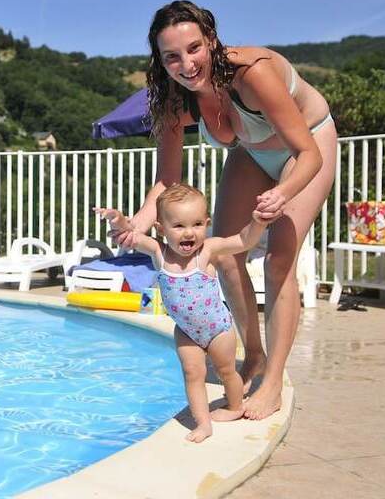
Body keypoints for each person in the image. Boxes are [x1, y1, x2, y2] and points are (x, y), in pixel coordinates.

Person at [112, 0, 337, 420]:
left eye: (194, 48)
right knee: (228, 256)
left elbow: (307, 153)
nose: (186, 64)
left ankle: (272, 384)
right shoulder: (174, 100)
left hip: (307, 148)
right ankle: (253, 356)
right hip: (253, 153)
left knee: (278, 260)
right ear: (160, 62)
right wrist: (139, 221)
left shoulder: (252, 74)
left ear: (211, 40)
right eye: (172, 57)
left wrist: (284, 192)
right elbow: (168, 180)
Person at [96, 183, 269, 442]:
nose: (189, 233)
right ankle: (203, 423)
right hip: (187, 331)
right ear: (161, 229)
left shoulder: (207, 250)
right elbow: (131, 234)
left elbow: (244, 240)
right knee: (192, 374)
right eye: (178, 226)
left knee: (226, 371)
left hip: (218, 329)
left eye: (197, 224)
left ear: (206, 223)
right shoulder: (159, 252)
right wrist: (119, 220)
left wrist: (257, 222)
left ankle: (235, 407)